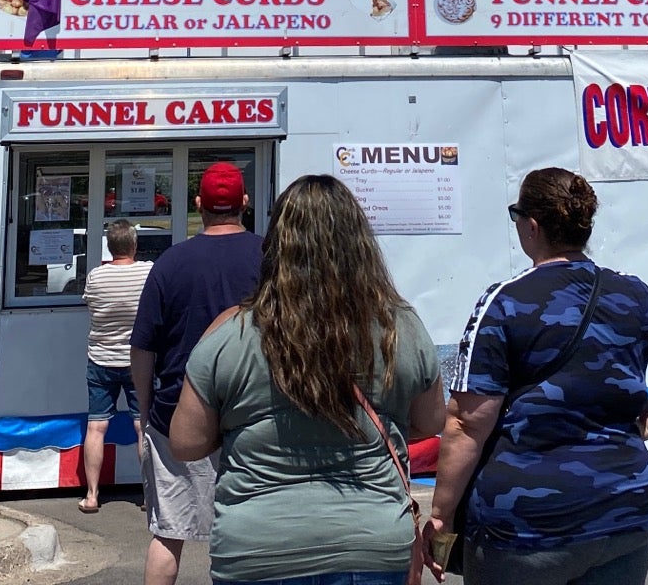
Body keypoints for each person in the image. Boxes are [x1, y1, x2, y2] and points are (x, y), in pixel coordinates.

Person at [424, 168, 648, 585]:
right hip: (625, 511)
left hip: (528, 525)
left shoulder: (504, 303)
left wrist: (440, 516)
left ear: (532, 226)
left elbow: (468, 423)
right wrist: (643, 427)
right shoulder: (634, 295)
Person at [172, 174, 445, 585]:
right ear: (360, 244)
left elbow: (186, 443)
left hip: (257, 548)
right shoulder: (400, 328)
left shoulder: (230, 334)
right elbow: (432, 421)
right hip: (370, 545)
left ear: (275, 245)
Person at [129, 162, 263, 585]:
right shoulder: (269, 258)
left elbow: (143, 347)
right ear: (244, 203)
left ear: (199, 204)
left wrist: (145, 414)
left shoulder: (170, 263)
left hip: (177, 415)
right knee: (251, 536)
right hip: (255, 415)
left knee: (168, 533)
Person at [80, 221, 152, 514]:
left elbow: (91, 307)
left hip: (101, 360)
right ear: (134, 245)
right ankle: (148, 496)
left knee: (96, 427)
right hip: (138, 360)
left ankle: (92, 495)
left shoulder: (96, 277)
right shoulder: (148, 272)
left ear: (109, 247)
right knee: (141, 427)